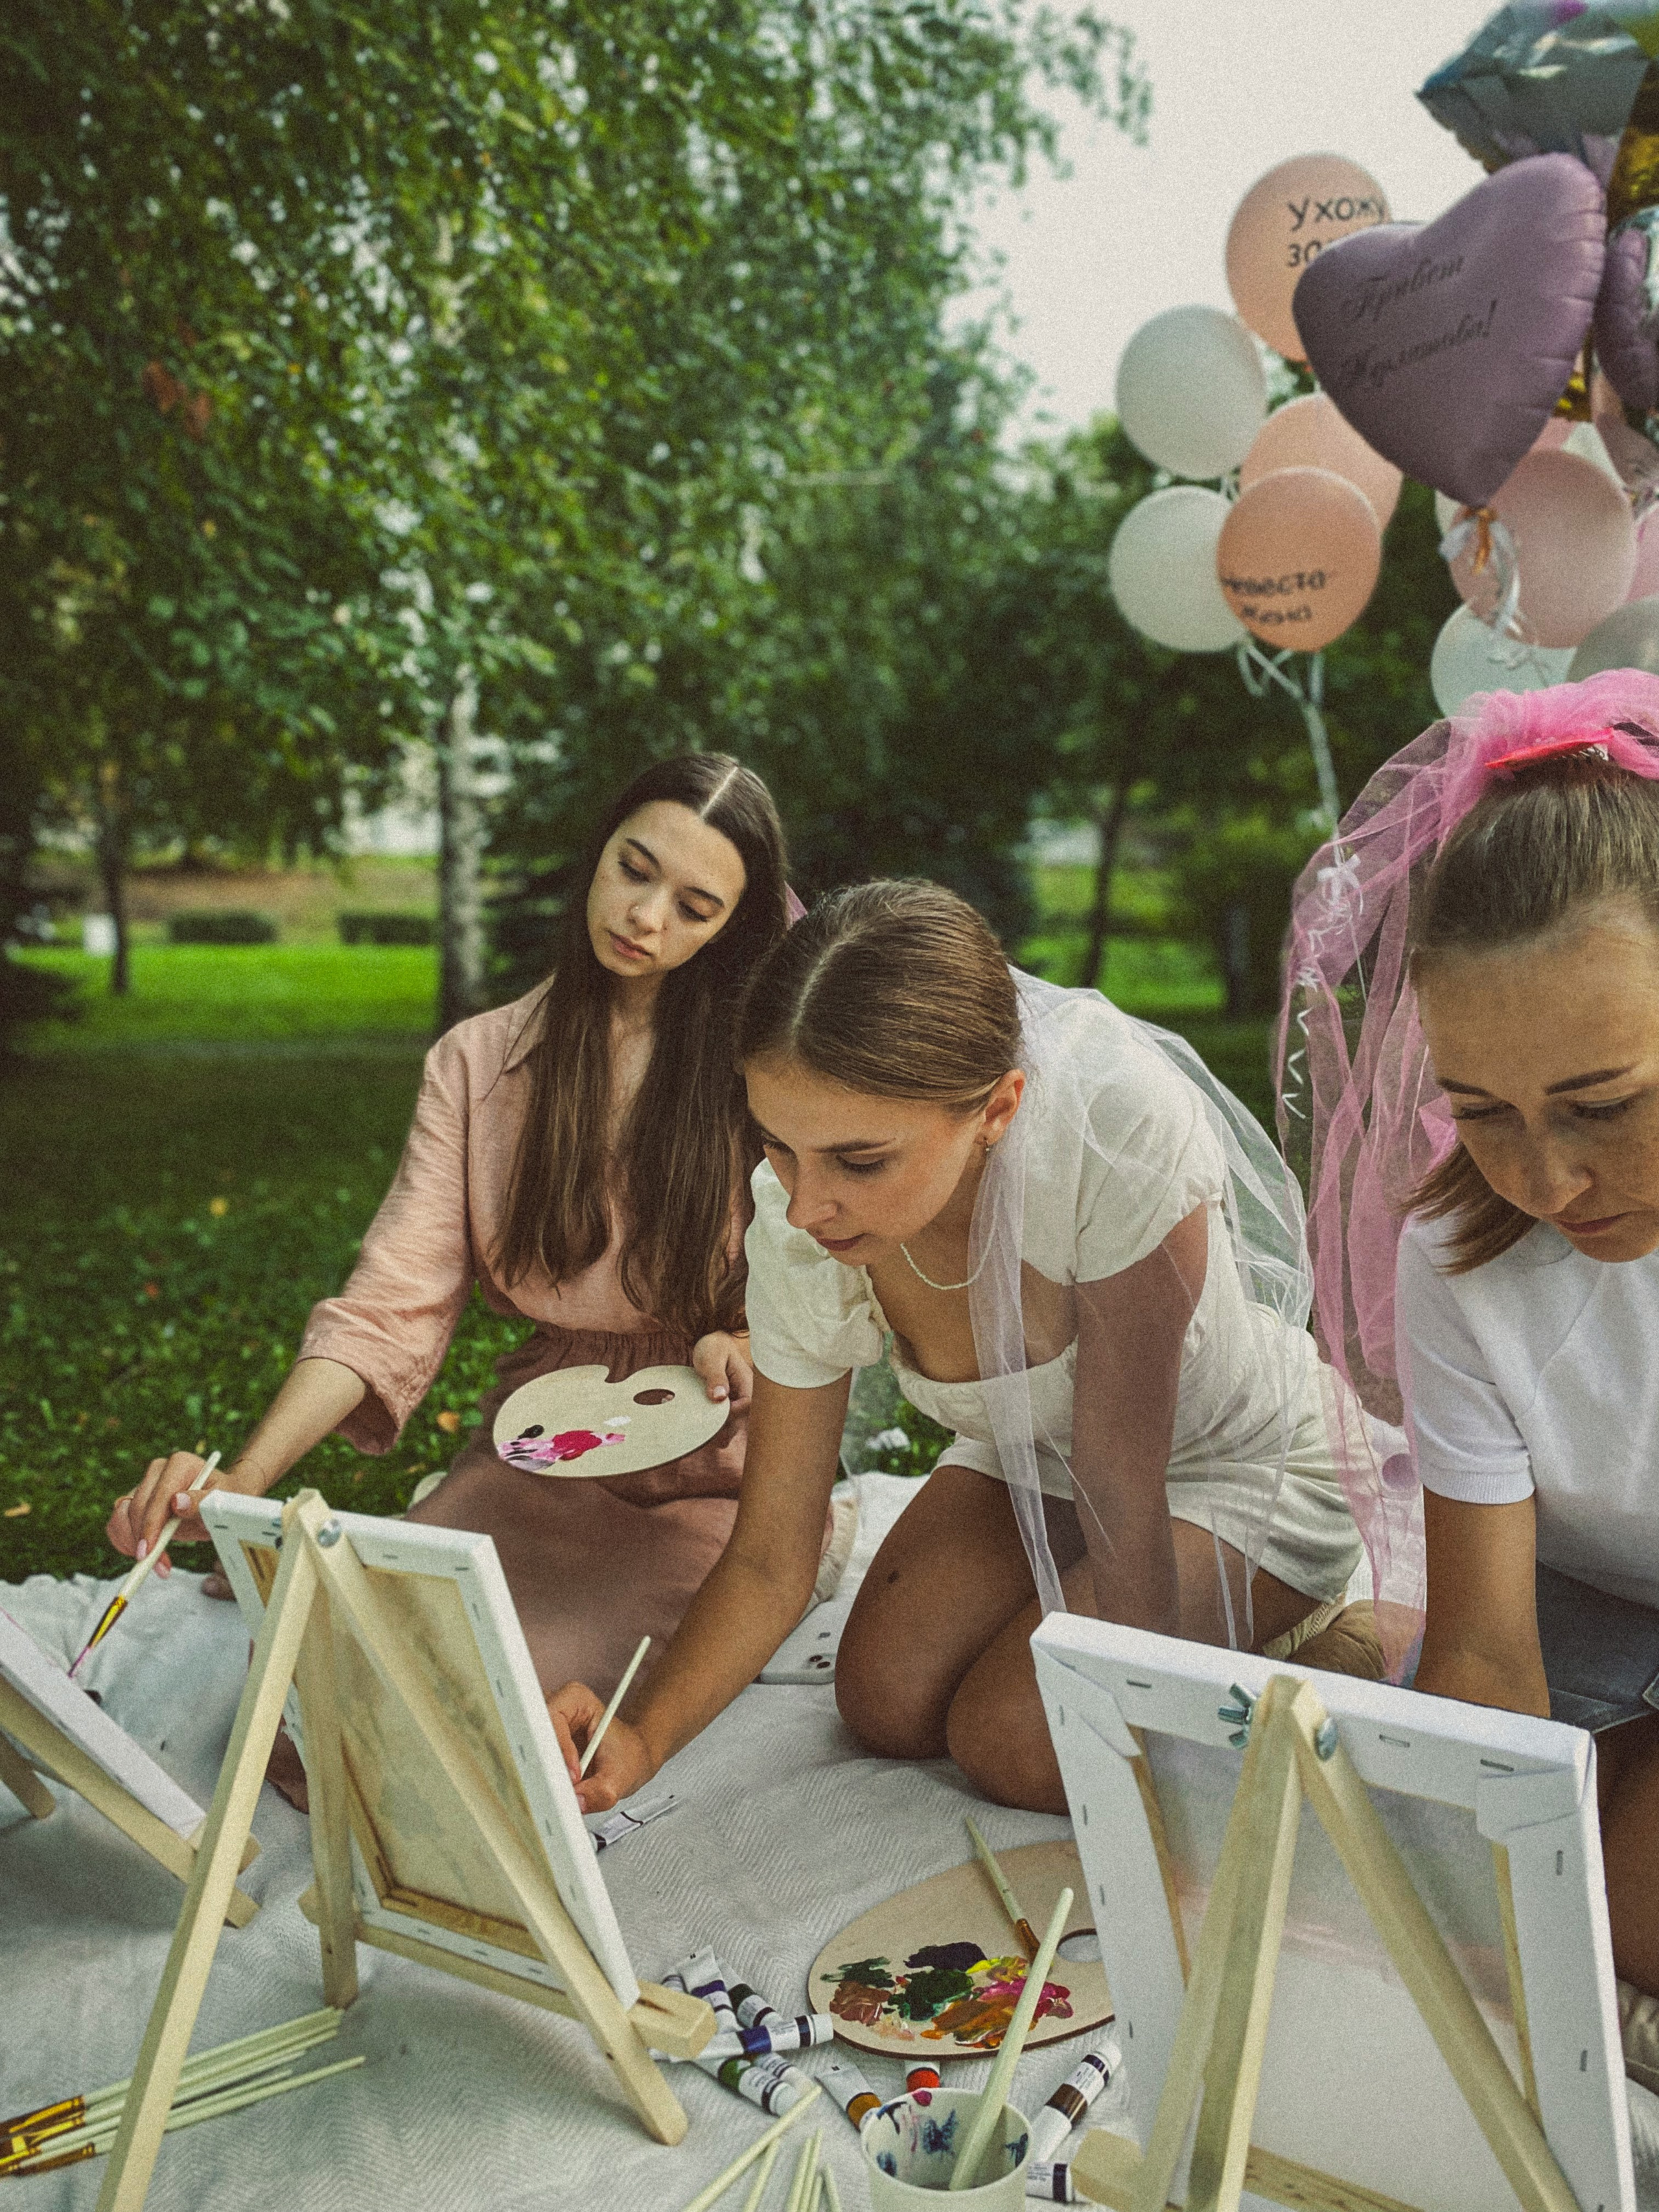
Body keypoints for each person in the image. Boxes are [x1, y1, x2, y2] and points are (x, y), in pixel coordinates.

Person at [555, 878, 1377, 1820]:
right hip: (1035, 1458)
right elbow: (774, 1551)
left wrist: (1126, 1731)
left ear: (997, 1108)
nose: (807, 1203)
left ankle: (1348, 1643)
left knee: (1015, 1741)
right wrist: (644, 1735)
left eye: (861, 1160)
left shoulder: (1114, 1134)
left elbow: (1122, 1490)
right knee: (884, 1698)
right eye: (778, 1144)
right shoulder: (802, 1216)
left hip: (1226, 1465)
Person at [105, 754, 853, 1767]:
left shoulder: (760, 1071)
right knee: (322, 1702)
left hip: (714, 1470)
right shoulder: (478, 1061)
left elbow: (836, 1267)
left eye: (695, 906)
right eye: (634, 869)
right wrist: (242, 1479)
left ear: (732, 926)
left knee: (482, 1725)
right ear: (598, 852)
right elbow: (387, 1307)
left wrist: (756, 1343)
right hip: (539, 1450)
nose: (645, 917)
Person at [1278, 669, 1659, 2067]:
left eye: (1602, 1106)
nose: (1544, 1181)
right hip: (1584, 1600)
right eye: (1482, 1111)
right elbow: (1492, 1651)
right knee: (1474, 1876)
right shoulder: (1457, 1258)